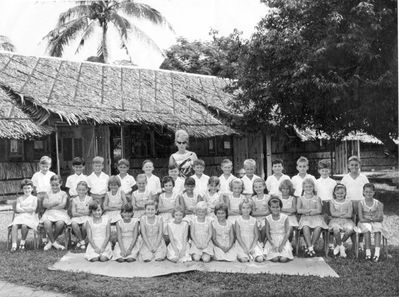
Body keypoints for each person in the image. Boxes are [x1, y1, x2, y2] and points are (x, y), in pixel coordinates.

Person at [297, 178, 328, 256]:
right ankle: (310, 248)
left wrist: (308, 211)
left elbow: (319, 210)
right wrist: (309, 211)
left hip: (316, 217)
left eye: (310, 186)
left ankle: (311, 246)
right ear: (303, 188)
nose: (308, 188)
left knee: (318, 227)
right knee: (305, 226)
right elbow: (298, 210)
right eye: (306, 187)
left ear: (313, 187)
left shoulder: (317, 198)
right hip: (305, 218)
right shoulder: (300, 198)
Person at [357, 183, 387, 262]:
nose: (368, 193)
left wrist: (372, 220)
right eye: (366, 192)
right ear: (363, 192)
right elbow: (361, 219)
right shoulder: (361, 203)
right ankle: (368, 253)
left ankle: (377, 253)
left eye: (370, 192)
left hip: (375, 222)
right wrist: (372, 219)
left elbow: (380, 218)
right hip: (364, 223)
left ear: (374, 192)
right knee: (367, 230)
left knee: (378, 230)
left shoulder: (378, 203)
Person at [41, 175, 70, 251]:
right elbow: (44, 204)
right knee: (47, 223)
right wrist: (55, 202)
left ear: (61, 184)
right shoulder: (48, 194)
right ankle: (55, 244)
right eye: (52, 185)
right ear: (50, 184)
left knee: (60, 223)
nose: (54, 187)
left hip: (60, 213)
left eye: (57, 185)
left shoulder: (63, 193)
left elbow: (62, 205)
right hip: (49, 213)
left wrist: (50, 206)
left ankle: (50, 242)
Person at [10, 179, 39, 252]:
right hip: (21, 216)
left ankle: (22, 243)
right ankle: (14, 245)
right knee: (14, 225)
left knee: (24, 225)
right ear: (22, 189)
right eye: (25, 188)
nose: (27, 190)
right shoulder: (20, 198)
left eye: (29, 188)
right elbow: (17, 209)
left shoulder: (34, 198)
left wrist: (23, 208)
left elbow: (33, 208)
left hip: (30, 217)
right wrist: (27, 209)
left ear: (32, 188)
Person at [264, 197, 294, 262]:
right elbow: (267, 233)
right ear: (270, 208)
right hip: (272, 239)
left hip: (283, 239)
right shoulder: (268, 218)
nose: (275, 209)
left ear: (280, 207)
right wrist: (272, 244)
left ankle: (283, 254)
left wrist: (282, 245)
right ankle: (275, 254)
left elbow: (287, 232)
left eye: (277, 207)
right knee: (275, 259)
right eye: (273, 207)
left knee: (283, 259)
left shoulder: (285, 217)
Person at [328, 184, 355, 258]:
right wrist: (343, 213)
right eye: (338, 193)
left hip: (347, 220)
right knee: (335, 229)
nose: (340, 195)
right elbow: (333, 213)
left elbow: (349, 215)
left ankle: (339, 245)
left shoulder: (349, 202)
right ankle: (342, 250)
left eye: (342, 193)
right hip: (335, 221)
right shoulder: (332, 201)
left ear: (345, 193)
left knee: (350, 229)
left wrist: (338, 214)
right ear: (334, 193)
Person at [70, 181, 92, 250]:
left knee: (85, 224)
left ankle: (80, 241)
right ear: (76, 190)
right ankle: (82, 241)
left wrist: (78, 211)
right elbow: (73, 213)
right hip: (77, 217)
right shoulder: (74, 200)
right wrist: (83, 212)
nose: (81, 191)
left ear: (86, 190)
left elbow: (88, 212)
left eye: (83, 190)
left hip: (86, 217)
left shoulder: (89, 199)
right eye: (79, 189)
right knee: (73, 223)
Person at [251, 178, 270, 242]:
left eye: (260, 186)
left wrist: (258, 212)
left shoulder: (268, 197)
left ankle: (263, 242)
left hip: (266, 218)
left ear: (264, 187)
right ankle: (260, 243)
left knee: (265, 227)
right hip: (256, 219)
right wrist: (264, 212)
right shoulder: (252, 199)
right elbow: (252, 213)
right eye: (256, 187)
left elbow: (269, 212)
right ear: (253, 188)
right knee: (255, 227)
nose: (258, 189)